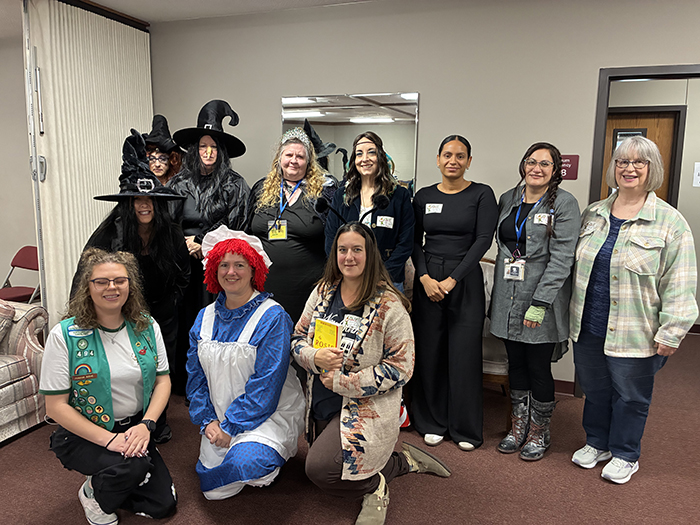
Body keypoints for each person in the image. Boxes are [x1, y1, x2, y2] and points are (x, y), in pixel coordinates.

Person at [292, 222, 450, 525]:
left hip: (364, 407)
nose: (348, 257)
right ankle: (400, 460)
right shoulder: (323, 291)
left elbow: (401, 368)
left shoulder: (389, 305)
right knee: (326, 464)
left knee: (320, 470)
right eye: (342, 250)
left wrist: (345, 382)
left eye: (357, 250)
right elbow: (297, 339)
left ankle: (381, 480)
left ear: (370, 255)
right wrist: (313, 356)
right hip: (322, 400)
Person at [569, 135, 698, 484]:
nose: (629, 168)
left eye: (639, 162)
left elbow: (680, 281)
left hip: (636, 329)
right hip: (588, 324)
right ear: (614, 167)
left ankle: (625, 453)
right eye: (622, 161)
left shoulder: (669, 222)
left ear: (651, 169)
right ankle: (597, 442)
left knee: (631, 396)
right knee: (595, 389)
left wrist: (673, 330)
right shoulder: (593, 214)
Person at [40, 248, 177, 525]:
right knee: (133, 466)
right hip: (85, 432)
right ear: (87, 287)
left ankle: (122, 471)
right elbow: (55, 407)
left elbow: (163, 381)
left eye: (120, 280)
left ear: (130, 285)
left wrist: (146, 425)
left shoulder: (146, 325)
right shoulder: (64, 335)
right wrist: (110, 440)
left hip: (135, 428)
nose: (111, 287)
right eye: (101, 281)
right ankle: (93, 493)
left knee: (164, 505)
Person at [73, 129, 190, 444]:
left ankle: (156, 423)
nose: (144, 205)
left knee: (160, 370)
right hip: (121, 315)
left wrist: (172, 303)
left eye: (149, 199)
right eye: (137, 199)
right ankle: (121, 422)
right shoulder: (110, 233)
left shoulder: (171, 233)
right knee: (128, 369)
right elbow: (87, 275)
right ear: (128, 203)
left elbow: (184, 273)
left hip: (163, 313)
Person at [186, 226, 305, 500]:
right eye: (223, 265)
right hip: (218, 417)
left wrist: (231, 427)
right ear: (213, 270)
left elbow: (266, 386)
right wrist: (208, 421)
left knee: (245, 466)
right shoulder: (204, 317)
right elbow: (195, 378)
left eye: (240, 265)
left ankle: (265, 460)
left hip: (267, 415)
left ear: (254, 271)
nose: (231, 272)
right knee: (215, 493)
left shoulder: (272, 317)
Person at [489, 142, 580, 460]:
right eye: (531, 161)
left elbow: (562, 258)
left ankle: (539, 432)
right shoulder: (508, 198)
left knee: (537, 366)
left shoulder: (564, 204)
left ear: (555, 170)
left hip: (542, 297)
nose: (536, 168)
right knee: (515, 364)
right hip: (508, 296)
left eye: (545, 163)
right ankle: (518, 428)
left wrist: (540, 303)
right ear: (523, 164)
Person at [410, 135, 498, 451]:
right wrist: (423, 277)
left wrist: (452, 279)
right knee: (430, 351)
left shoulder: (482, 194)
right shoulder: (423, 196)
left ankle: (464, 428)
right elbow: (413, 241)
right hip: (428, 279)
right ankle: (432, 422)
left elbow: (483, 239)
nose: (453, 161)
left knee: (464, 354)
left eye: (460, 156)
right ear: (438, 159)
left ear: (469, 161)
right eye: (447, 155)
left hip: (465, 279)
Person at [169, 99, 250, 394]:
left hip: (219, 268)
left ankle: (215, 386)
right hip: (183, 267)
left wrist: (204, 243)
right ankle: (185, 385)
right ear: (195, 149)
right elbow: (168, 223)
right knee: (185, 322)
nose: (208, 152)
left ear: (221, 151)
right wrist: (185, 244)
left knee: (215, 325)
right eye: (203, 146)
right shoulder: (178, 184)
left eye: (214, 147)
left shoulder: (235, 185)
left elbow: (238, 226)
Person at [246, 127, 337, 324]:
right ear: (279, 158)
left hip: (309, 289)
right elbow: (245, 232)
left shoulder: (324, 191)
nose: (293, 160)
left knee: (302, 340)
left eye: (300, 156)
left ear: (309, 162)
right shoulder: (261, 188)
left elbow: (335, 237)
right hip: (264, 287)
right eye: (289, 155)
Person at [325, 131, 414, 291]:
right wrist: (343, 271)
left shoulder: (399, 195)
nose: (365, 158)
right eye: (359, 154)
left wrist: (383, 275)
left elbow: (406, 241)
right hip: (349, 279)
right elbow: (331, 238)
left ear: (381, 157)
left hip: (387, 281)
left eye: (371, 152)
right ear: (354, 160)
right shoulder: (341, 195)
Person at [143, 114, 183, 185]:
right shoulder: (141, 185)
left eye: (163, 159)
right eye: (152, 159)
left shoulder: (180, 185)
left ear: (171, 160)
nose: (157, 164)